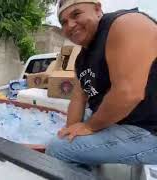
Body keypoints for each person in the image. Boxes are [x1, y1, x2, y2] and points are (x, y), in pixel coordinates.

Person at [46, 0, 157, 165]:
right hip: (119, 123)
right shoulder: (81, 59)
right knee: (62, 138)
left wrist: (89, 127)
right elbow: (78, 97)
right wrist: (70, 131)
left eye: (76, 14)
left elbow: (128, 93)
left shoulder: (129, 24)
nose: (70, 25)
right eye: (64, 22)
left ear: (97, 9)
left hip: (149, 131)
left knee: (58, 150)